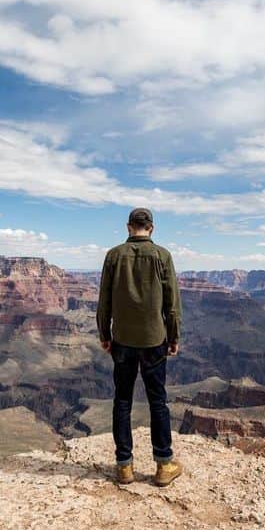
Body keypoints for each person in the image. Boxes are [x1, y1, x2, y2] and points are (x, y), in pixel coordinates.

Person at [96, 207, 183, 486]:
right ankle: (163, 465)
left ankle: (124, 467)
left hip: (121, 339)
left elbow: (104, 301)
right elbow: (172, 304)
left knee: (122, 401)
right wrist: (174, 336)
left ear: (128, 227)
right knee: (158, 401)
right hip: (154, 340)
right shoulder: (162, 256)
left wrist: (104, 333)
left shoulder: (113, 256)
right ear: (152, 228)